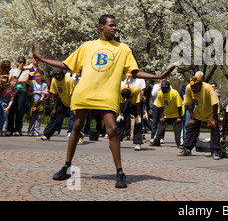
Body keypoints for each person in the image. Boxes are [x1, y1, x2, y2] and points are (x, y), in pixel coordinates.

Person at [31, 14, 175, 188]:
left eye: (115, 26)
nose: (114, 28)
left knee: (113, 129)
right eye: (110, 25)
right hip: (85, 93)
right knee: (76, 127)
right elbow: (66, 65)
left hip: (107, 95)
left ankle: (120, 172)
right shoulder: (87, 46)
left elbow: (133, 72)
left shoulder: (123, 48)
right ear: (101, 26)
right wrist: (42, 59)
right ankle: (67, 166)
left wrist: (158, 76)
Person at [178, 76, 220, 160]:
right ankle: (187, 149)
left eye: (195, 87)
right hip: (198, 112)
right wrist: (192, 118)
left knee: (215, 128)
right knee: (192, 127)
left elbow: (215, 104)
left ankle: (215, 151)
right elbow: (188, 103)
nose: (193, 89)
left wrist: (214, 119)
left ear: (200, 84)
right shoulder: (189, 88)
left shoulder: (207, 88)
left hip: (211, 112)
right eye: (192, 87)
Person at [37, 68, 76, 141]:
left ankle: (79, 136)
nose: (57, 76)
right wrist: (55, 108)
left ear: (63, 74)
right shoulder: (54, 80)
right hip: (64, 101)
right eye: (55, 75)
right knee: (55, 115)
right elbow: (55, 94)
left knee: (76, 119)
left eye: (59, 74)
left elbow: (74, 95)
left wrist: (73, 108)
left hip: (74, 101)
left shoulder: (69, 80)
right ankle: (46, 135)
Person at [151, 80, 184, 148]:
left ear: (169, 87)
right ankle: (156, 141)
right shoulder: (160, 93)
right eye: (162, 87)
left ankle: (180, 143)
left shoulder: (174, 93)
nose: (163, 89)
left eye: (165, 88)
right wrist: (162, 117)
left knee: (177, 129)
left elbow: (179, 106)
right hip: (168, 113)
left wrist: (179, 117)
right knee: (161, 126)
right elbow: (160, 106)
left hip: (177, 113)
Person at [6, 57, 30, 136]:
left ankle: (18, 129)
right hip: (13, 90)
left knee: (20, 110)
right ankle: (10, 129)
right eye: (20, 62)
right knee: (11, 109)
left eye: (23, 62)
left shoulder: (26, 71)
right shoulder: (12, 70)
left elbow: (25, 79)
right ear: (17, 62)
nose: (21, 64)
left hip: (21, 91)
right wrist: (16, 80)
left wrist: (16, 80)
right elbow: (10, 79)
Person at [117, 82, 145, 151]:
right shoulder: (122, 89)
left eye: (130, 96)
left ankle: (138, 143)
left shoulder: (136, 90)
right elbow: (122, 103)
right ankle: (117, 140)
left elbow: (138, 104)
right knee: (120, 120)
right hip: (128, 103)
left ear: (131, 91)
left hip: (137, 104)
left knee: (138, 123)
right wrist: (121, 114)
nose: (130, 98)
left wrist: (138, 115)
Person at [26, 70, 49, 136]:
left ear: (41, 77)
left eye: (39, 76)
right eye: (36, 77)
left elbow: (47, 93)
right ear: (34, 77)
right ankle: (30, 130)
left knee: (38, 117)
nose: (37, 78)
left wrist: (42, 92)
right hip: (34, 102)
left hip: (41, 102)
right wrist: (34, 92)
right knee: (32, 117)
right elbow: (29, 93)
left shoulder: (44, 85)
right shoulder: (32, 84)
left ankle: (36, 130)